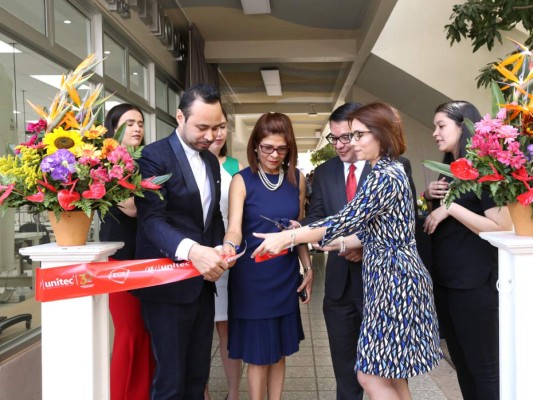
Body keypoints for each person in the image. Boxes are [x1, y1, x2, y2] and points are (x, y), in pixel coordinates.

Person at [252, 102, 442, 400]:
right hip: (392, 279)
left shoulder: (385, 175)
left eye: (359, 135)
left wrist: (289, 238)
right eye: (349, 136)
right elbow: (371, 230)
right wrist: (336, 243)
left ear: (381, 133)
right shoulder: (386, 170)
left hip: (395, 283)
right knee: (391, 377)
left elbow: (345, 219)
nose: (352, 142)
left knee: (369, 376)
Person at [301, 102, 417, 400]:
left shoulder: (392, 168)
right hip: (339, 284)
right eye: (336, 138)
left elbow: (404, 221)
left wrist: (362, 243)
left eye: (350, 136)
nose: (342, 144)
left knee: (387, 373)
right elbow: (317, 216)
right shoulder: (324, 172)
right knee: (346, 369)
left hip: (381, 284)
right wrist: (305, 230)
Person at [132, 83, 229, 399]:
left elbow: (212, 217)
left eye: (216, 127)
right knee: (171, 380)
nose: (211, 135)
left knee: (197, 376)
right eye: (202, 127)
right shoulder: (153, 156)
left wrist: (219, 248)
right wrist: (193, 251)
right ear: (179, 118)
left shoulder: (211, 161)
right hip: (167, 286)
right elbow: (151, 221)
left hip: (201, 286)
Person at [423, 101, 512, 400]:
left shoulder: (486, 167)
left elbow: (500, 227)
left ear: (464, 127)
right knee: (463, 365)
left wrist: (450, 207)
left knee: (485, 370)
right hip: (448, 283)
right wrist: (430, 198)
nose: (435, 133)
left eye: (441, 126)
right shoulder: (449, 169)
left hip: (475, 285)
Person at [222, 112, 313, 400]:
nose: (274, 154)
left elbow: (296, 230)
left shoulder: (296, 179)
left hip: (284, 275)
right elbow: (235, 228)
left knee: (279, 352)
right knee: (259, 355)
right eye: (267, 148)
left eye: (282, 148)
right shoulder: (242, 180)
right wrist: (228, 246)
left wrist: (308, 269)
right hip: (252, 278)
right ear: (255, 146)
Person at [99, 103, 154, 400]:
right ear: (114, 129)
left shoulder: (145, 163)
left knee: (147, 334)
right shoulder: (101, 167)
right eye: (129, 123)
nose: (136, 128)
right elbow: (133, 209)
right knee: (129, 334)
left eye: (140, 124)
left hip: (149, 259)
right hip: (120, 262)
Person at [205, 109, 243, 400]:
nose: (218, 134)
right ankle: (201, 393)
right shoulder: (189, 163)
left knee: (227, 327)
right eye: (212, 127)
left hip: (228, 253)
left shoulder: (234, 166)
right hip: (196, 254)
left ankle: (233, 393)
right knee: (200, 332)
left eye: (223, 127)